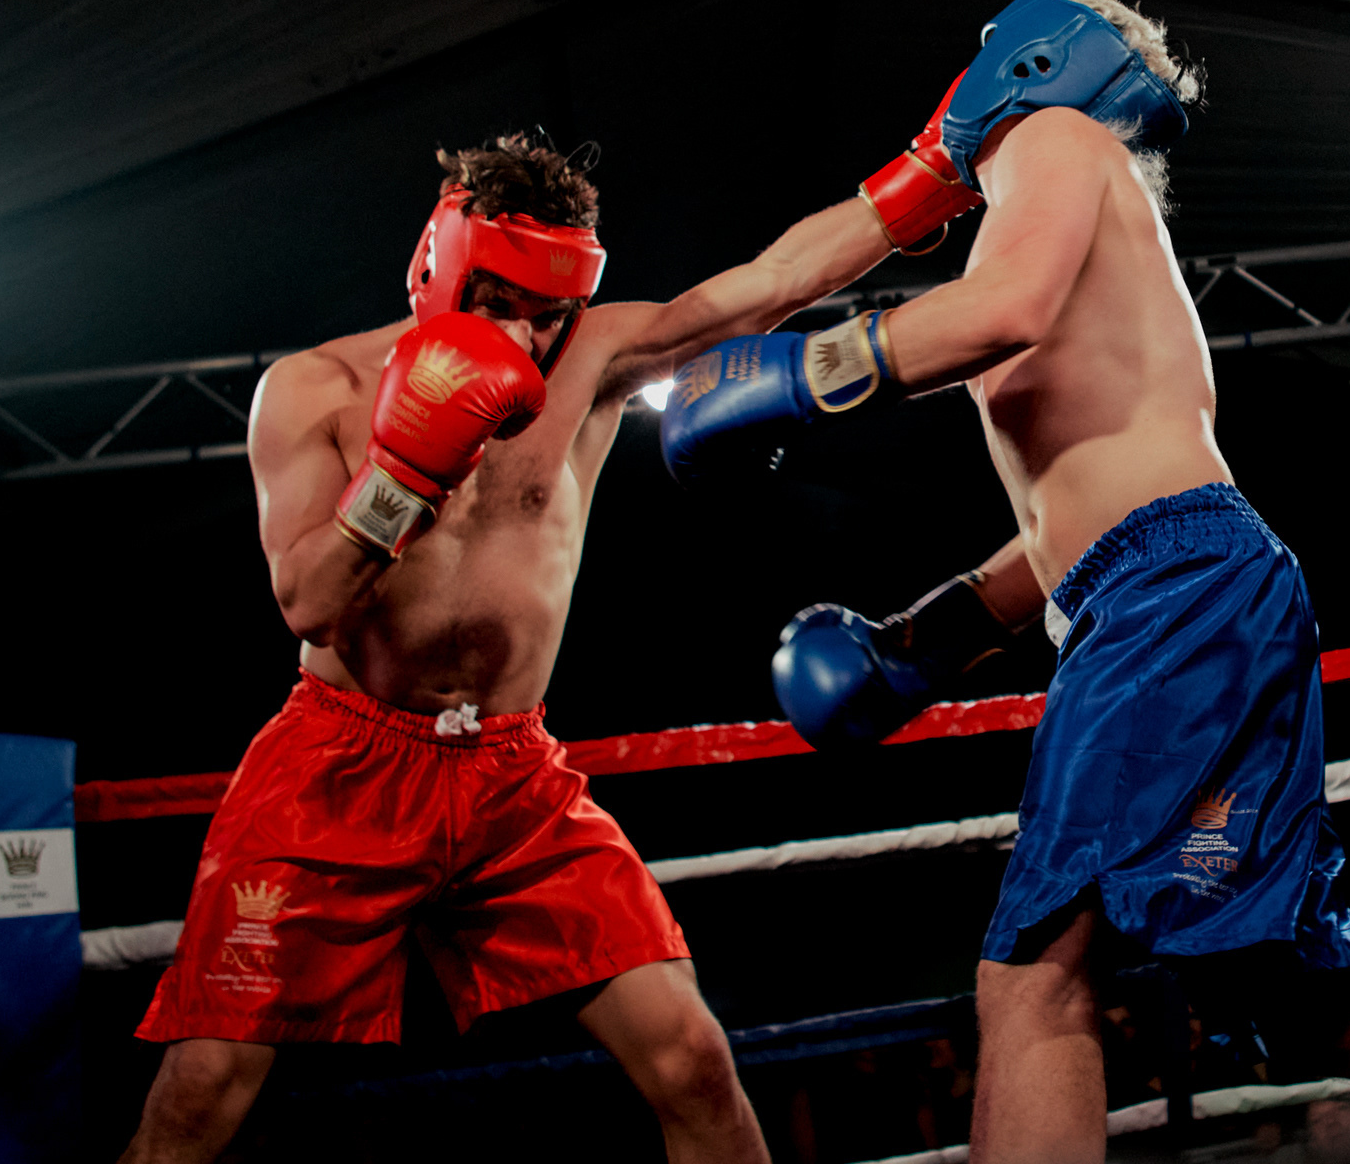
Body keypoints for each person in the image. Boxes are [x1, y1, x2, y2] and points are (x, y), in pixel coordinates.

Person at [660, 0, 1350, 1161]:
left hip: (1173, 589)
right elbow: (1067, 522)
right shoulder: (1084, 214)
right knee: (1297, 996)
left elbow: (1005, 314)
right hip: (1179, 581)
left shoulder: (1056, 137)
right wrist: (922, 640)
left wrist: (798, 371)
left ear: (1041, 58)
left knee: (1035, 974)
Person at [119, 130, 907, 1164]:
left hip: (512, 778)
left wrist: (939, 167)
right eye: (501, 303)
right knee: (201, 1094)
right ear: (436, 269)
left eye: (549, 312)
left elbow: (776, 281)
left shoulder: (593, 357)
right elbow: (308, 603)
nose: (527, 339)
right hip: (338, 769)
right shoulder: (317, 389)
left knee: (691, 1058)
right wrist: (404, 471)